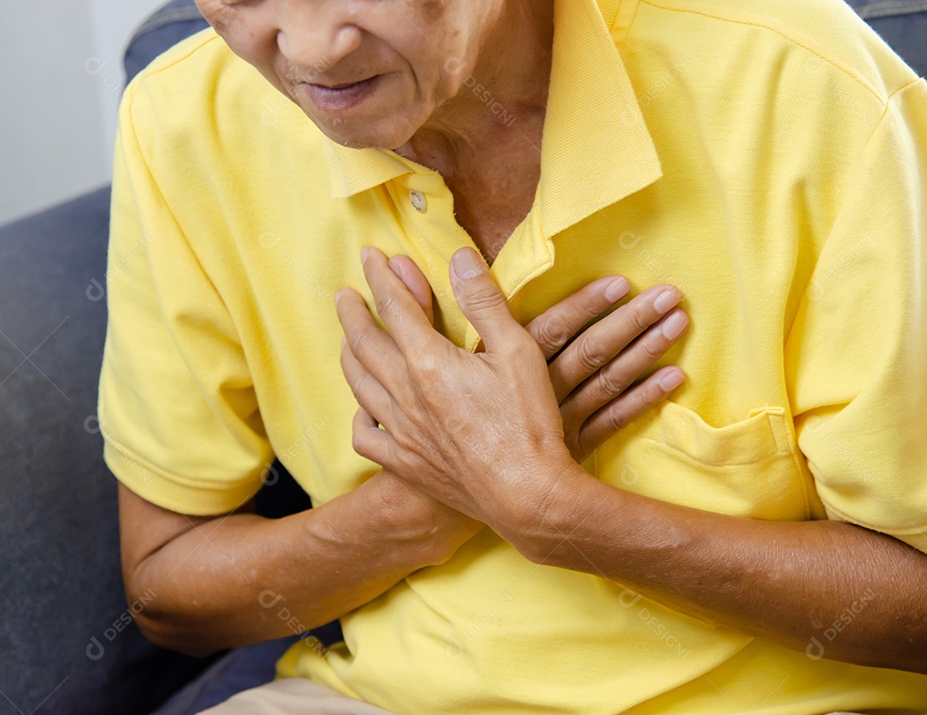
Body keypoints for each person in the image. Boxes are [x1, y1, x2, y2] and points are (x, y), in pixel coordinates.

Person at [97, 0, 927, 712]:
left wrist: (558, 514)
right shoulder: (182, 123)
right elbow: (168, 588)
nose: (314, 49)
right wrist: (428, 504)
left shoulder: (807, 87)